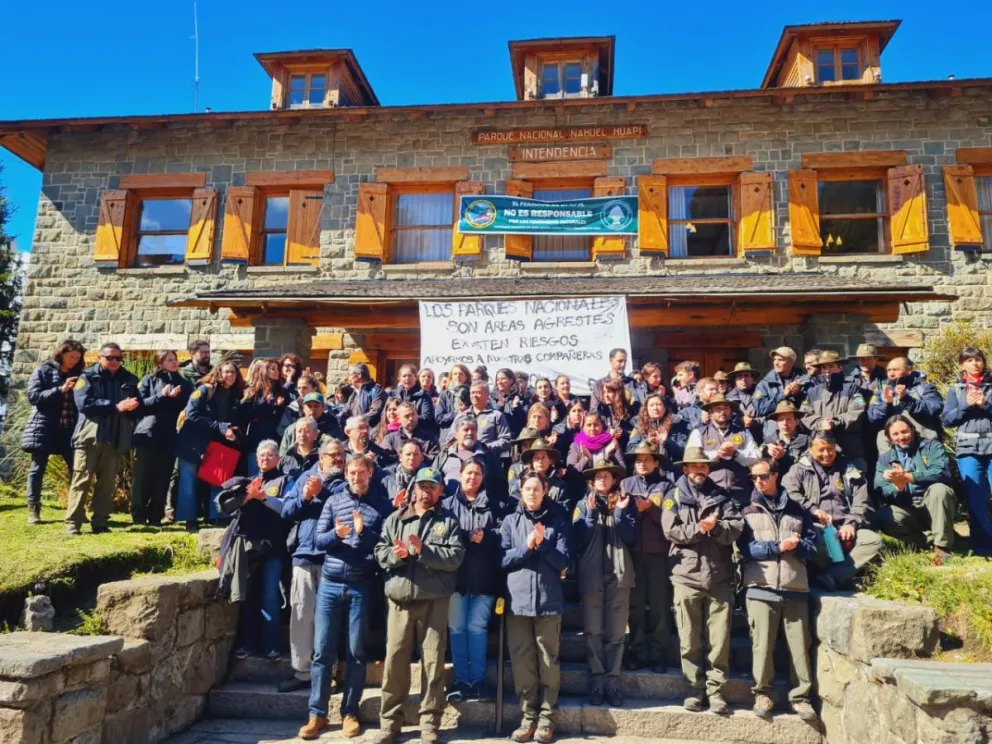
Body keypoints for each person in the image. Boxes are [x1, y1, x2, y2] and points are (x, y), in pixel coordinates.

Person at [299, 453, 391, 740]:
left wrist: (364, 534)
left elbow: (383, 546)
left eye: (361, 472)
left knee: (355, 652)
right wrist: (337, 535)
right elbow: (318, 540)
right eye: (351, 472)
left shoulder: (381, 505)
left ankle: (350, 712)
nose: (355, 477)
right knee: (323, 652)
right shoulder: (334, 501)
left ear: (370, 474)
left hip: (361, 586)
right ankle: (317, 713)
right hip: (330, 583)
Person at [373, 467, 464, 744]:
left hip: (434, 601)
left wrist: (425, 551)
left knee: (433, 664)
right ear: (414, 489)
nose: (427, 491)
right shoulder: (396, 519)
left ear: (440, 491)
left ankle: (429, 723)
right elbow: (379, 551)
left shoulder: (448, 521)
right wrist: (396, 555)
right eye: (422, 485)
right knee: (395, 663)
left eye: (432, 486)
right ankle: (390, 723)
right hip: (400, 601)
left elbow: (456, 556)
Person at [661, 446, 743, 714]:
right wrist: (699, 528)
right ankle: (694, 690)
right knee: (689, 639)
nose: (699, 470)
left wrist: (716, 528)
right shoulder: (673, 496)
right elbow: (670, 530)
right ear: (685, 469)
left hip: (719, 576)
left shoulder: (722, 496)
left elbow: (736, 527)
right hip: (686, 576)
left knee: (719, 641)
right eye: (694, 466)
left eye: (704, 466)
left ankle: (716, 691)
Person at [738, 458, 817, 722]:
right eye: (753, 477)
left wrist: (799, 545)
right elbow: (746, 549)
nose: (758, 481)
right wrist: (778, 547)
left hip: (795, 586)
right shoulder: (747, 510)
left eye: (762, 476)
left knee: (800, 646)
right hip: (760, 587)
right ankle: (763, 693)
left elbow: (814, 547)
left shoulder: (797, 509)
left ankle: (801, 697)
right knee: (761, 646)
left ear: (776, 475)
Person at [502, 471, 571, 744]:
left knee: (548, 661)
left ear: (545, 491)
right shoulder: (509, 522)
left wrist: (542, 545)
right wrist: (526, 547)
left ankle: (546, 719)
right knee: (522, 663)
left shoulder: (557, 522)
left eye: (536, 488)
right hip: (517, 603)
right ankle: (527, 717)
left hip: (548, 601)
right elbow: (503, 559)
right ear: (520, 492)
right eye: (527, 488)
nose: (531, 493)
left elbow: (564, 560)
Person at [279, 438, 345, 697]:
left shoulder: (345, 481)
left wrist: (322, 493)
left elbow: (347, 508)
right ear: (321, 458)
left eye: (341, 454)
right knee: (302, 614)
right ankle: (302, 671)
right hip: (305, 555)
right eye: (333, 455)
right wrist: (306, 496)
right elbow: (286, 511)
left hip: (333, 556)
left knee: (329, 618)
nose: (338, 459)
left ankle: (327, 673)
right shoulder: (304, 477)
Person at [216, 441, 290, 663]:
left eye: (269, 455)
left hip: (273, 548)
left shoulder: (285, 480)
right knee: (246, 596)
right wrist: (246, 497)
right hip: (247, 548)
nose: (265, 459)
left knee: (269, 596)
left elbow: (286, 507)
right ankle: (248, 644)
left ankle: (272, 647)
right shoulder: (246, 482)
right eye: (261, 455)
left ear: (278, 458)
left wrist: (263, 497)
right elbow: (223, 507)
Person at [782, 432, 882, 589]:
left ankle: (833, 576)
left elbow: (861, 501)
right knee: (817, 542)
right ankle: (837, 573)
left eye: (830, 449)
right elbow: (789, 494)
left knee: (873, 541)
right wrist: (812, 509)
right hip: (816, 528)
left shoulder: (849, 469)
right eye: (821, 449)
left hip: (845, 527)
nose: (826, 454)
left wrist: (852, 523)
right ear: (810, 449)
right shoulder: (798, 470)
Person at [572, 458, 635, 708]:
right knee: (593, 631)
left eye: (607, 476)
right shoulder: (582, 504)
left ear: (614, 479)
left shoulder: (624, 502)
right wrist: (589, 516)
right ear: (592, 480)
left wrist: (620, 512)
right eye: (598, 476)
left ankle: (613, 680)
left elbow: (632, 537)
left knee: (617, 633)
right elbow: (576, 539)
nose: (603, 480)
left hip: (620, 576)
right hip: (591, 576)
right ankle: (597, 678)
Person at [64, 342, 142, 535]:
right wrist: (116, 406)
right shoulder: (87, 376)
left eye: (118, 358)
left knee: (107, 484)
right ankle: (73, 523)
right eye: (110, 358)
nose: (115, 361)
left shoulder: (130, 379)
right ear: (100, 358)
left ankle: (100, 522)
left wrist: (135, 408)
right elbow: (84, 404)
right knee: (81, 480)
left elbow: (136, 407)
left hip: (116, 438)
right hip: (90, 437)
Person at [443, 458, 500, 703]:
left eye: (477, 473)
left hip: (483, 580)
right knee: (457, 630)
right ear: (460, 474)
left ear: (482, 478)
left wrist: (485, 538)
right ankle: (460, 681)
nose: (472, 477)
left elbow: (502, 536)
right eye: (468, 473)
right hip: (455, 580)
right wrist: (466, 538)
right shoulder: (446, 505)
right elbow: (442, 535)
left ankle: (477, 680)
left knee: (477, 630)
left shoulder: (494, 505)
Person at [874, 416, 956, 563]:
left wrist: (910, 477)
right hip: (909, 510)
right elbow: (881, 490)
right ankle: (926, 541)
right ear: (889, 438)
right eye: (896, 434)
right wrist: (898, 487)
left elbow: (942, 472)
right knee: (883, 516)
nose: (901, 437)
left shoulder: (932, 446)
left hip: (933, 505)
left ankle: (942, 548)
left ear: (913, 430)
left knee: (939, 490)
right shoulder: (885, 459)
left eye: (905, 432)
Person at [622, 442, 674, 674]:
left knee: (659, 605)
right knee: (635, 605)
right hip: (633, 552)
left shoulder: (666, 485)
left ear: (656, 462)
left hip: (658, 553)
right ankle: (638, 651)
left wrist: (650, 508)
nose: (642, 463)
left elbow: (670, 518)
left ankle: (658, 654)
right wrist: (634, 509)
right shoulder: (626, 484)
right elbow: (621, 515)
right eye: (638, 460)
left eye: (647, 459)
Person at [21, 339, 85, 525]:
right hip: (44, 426)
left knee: (77, 469)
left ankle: (76, 510)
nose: (73, 360)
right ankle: (34, 510)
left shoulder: (80, 374)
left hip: (70, 428)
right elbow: (34, 397)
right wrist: (60, 389)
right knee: (37, 468)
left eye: (77, 357)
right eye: (71, 356)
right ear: (61, 353)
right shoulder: (44, 370)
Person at [175, 360, 245, 530]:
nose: (230, 376)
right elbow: (192, 416)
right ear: (218, 373)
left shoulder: (235, 396)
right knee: (188, 482)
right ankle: (189, 520)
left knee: (217, 480)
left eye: (234, 373)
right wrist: (220, 427)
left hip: (218, 443)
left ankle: (216, 516)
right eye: (227, 371)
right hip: (193, 443)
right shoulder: (205, 390)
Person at [131, 350, 193, 526]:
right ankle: (139, 516)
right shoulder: (149, 380)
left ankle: (155, 516)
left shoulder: (183, 384)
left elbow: (187, 408)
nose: (174, 363)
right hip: (147, 434)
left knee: (162, 478)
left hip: (169, 436)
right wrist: (162, 396)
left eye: (175, 359)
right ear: (159, 362)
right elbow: (140, 407)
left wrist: (176, 398)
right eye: (169, 360)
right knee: (143, 477)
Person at [943, 347, 992, 556]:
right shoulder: (956, 389)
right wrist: (965, 405)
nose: (975, 363)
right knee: (976, 498)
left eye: (978, 359)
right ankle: (982, 545)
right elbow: (947, 419)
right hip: (968, 449)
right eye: (969, 360)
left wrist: (985, 404)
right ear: (962, 364)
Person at [686, 393, 761, 508]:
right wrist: (718, 453)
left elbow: (757, 458)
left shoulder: (743, 432)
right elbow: (691, 459)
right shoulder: (698, 433)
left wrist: (736, 454)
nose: (722, 412)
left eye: (726, 408)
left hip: (741, 493)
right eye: (718, 409)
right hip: (710, 493)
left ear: (731, 412)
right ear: (710, 413)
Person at [801, 351, 868, 470]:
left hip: (848, 451)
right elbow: (804, 413)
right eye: (824, 367)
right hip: (822, 452)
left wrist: (835, 422)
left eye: (831, 366)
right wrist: (820, 423)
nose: (827, 370)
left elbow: (857, 410)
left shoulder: (852, 389)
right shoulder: (812, 392)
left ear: (840, 367)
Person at [867, 356, 944, 446]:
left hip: (923, 445)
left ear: (909, 369)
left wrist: (906, 399)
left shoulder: (924, 388)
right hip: (891, 449)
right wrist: (886, 404)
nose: (891, 374)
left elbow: (934, 408)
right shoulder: (881, 393)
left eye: (895, 370)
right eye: (889, 370)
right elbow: (872, 418)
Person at [436, 415, 506, 508]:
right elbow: (434, 480)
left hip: (481, 510)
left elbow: (500, 484)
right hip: (449, 509)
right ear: (456, 434)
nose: (470, 433)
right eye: (466, 429)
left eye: (473, 429)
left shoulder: (487, 455)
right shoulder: (445, 454)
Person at [240, 359, 287, 476]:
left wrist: (278, 406)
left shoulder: (280, 391)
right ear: (265, 371)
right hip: (256, 441)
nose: (276, 372)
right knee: (255, 476)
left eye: (277, 369)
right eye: (272, 369)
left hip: (276, 441)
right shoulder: (253, 392)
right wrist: (267, 404)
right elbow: (245, 415)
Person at [627, 392, 689, 467]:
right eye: (651, 405)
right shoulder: (640, 425)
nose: (655, 408)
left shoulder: (676, 424)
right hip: (647, 467)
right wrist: (646, 443)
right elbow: (630, 449)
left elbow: (684, 450)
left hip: (671, 468)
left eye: (659, 404)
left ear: (665, 407)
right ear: (646, 409)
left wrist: (667, 442)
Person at [454, 380, 512, 456]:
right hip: (464, 460)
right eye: (472, 393)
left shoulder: (496, 416)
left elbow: (505, 441)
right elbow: (451, 438)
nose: (474, 395)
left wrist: (483, 447)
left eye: (478, 392)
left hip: (487, 460)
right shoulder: (461, 416)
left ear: (487, 395)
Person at [279, 390, 344, 456]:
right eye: (309, 406)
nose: (312, 410)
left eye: (316, 406)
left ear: (323, 408)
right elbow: (283, 456)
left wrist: (322, 437)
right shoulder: (292, 429)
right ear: (304, 408)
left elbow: (339, 449)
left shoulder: (333, 425)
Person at [760, 401, 812, 479]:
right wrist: (766, 452)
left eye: (789, 419)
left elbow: (806, 466)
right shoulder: (769, 441)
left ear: (797, 421)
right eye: (781, 420)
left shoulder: (807, 441)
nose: (785, 423)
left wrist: (783, 457)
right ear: (777, 423)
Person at [517, 439, 570, 508]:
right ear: (531, 461)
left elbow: (564, 510)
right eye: (536, 457)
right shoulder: (521, 483)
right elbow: (514, 507)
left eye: (543, 457)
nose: (540, 461)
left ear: (550, 460)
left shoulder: (560, 486)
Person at [754, 347, 805, 419]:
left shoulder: (804, 381)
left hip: (798, 427)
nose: (776, 363)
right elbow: (760, 408)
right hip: (773, 428)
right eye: (774, 359)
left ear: (792, 362)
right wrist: (783, 395)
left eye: (780, 360)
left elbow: (811, 406)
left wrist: (798, 394)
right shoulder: (764, 384)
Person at [391, 364, 437, 433]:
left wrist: (407, 418)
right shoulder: (393, 394)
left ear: (416, 378)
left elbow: (427, 417)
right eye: (404, 376)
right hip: (395, 431)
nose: (407, 378)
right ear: (399, 379)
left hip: (418, 432)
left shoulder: (424, 396)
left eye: (410, 375)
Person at [277, 373, 321, 439]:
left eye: (304, 388)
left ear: (314, 389)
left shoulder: (323, 408)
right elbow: (281, 430)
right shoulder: (291, 409)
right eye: (299, 388)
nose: (301, 391)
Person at [344, 363, 387, 429]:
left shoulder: (376, 390)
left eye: (350, 374)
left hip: (372, 431)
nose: (348, 378)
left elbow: (375, 412)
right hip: (355, 430)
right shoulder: (354, 392)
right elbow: (346, 411)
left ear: (359, 375)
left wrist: (357, 421)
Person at [384, 440, 426, 508]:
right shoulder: (387, 477)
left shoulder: (429, 478)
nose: (412, 458)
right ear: (400, 457)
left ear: (422, 457)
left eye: (416, 454)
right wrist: (393, 504)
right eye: (408, 454)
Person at [280, 417, 321, 482]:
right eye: (299, 431)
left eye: (307, 431)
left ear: (315, 434)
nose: (302, 435)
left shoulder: (321, 458)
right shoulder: (286, 458)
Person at [434, 363, 470, 435]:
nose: (458, 376)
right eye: (455, 374)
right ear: (451, 377)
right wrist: (457, 413)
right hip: (448, 434)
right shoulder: (444, 394)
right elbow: (439, 418)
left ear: (466, 377)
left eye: (461, 374)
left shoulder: (471, 393)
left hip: (468, 432)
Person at [597, 378, 634, 445]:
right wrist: (608, 431)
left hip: (624, 447)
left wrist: (623, 432)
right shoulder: (601, 409)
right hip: (604, 446)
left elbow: (634, 431)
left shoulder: (629, 410)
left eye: (609, 392)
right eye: (604, 392)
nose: (606, 395)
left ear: (618, 393)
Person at [727, 362, 760, 434]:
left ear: (752, 379)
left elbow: (769, 417)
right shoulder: (728, 399)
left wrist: (754, 421)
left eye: (746, 376)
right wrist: (740, 420)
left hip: (760, 434)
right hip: (737, 436)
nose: (743, 379)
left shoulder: (763, 394)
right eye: (739, 376)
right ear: (735, 380)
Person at [494, 367, 528, 436]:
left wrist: (517, 407)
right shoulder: (492, 397)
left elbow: (525, 420)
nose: (499, 382)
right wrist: (499, 406)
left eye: (503, 379)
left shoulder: (520, 398)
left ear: (511, 380)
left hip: (516, 438)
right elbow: (491, 418)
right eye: (498, 380)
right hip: (498, 438)